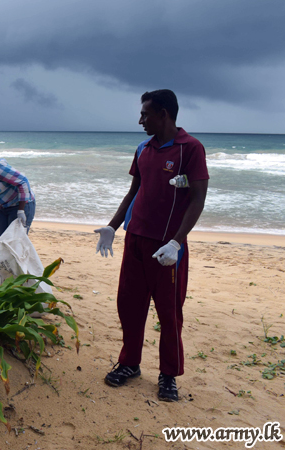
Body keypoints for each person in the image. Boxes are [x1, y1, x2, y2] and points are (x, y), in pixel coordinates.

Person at [94, 89, 209, 402]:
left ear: (164, 115)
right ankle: (130, 363)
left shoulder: (190, 149)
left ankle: (168, 375)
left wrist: (176, 242)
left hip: (167, 248)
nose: (140, 120)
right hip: (136, 239)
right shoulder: (143, 148)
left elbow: (198, 198)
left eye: (146, 114)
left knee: (169, 312)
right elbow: (134, 191)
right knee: (129, 305)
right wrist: (112, 226)